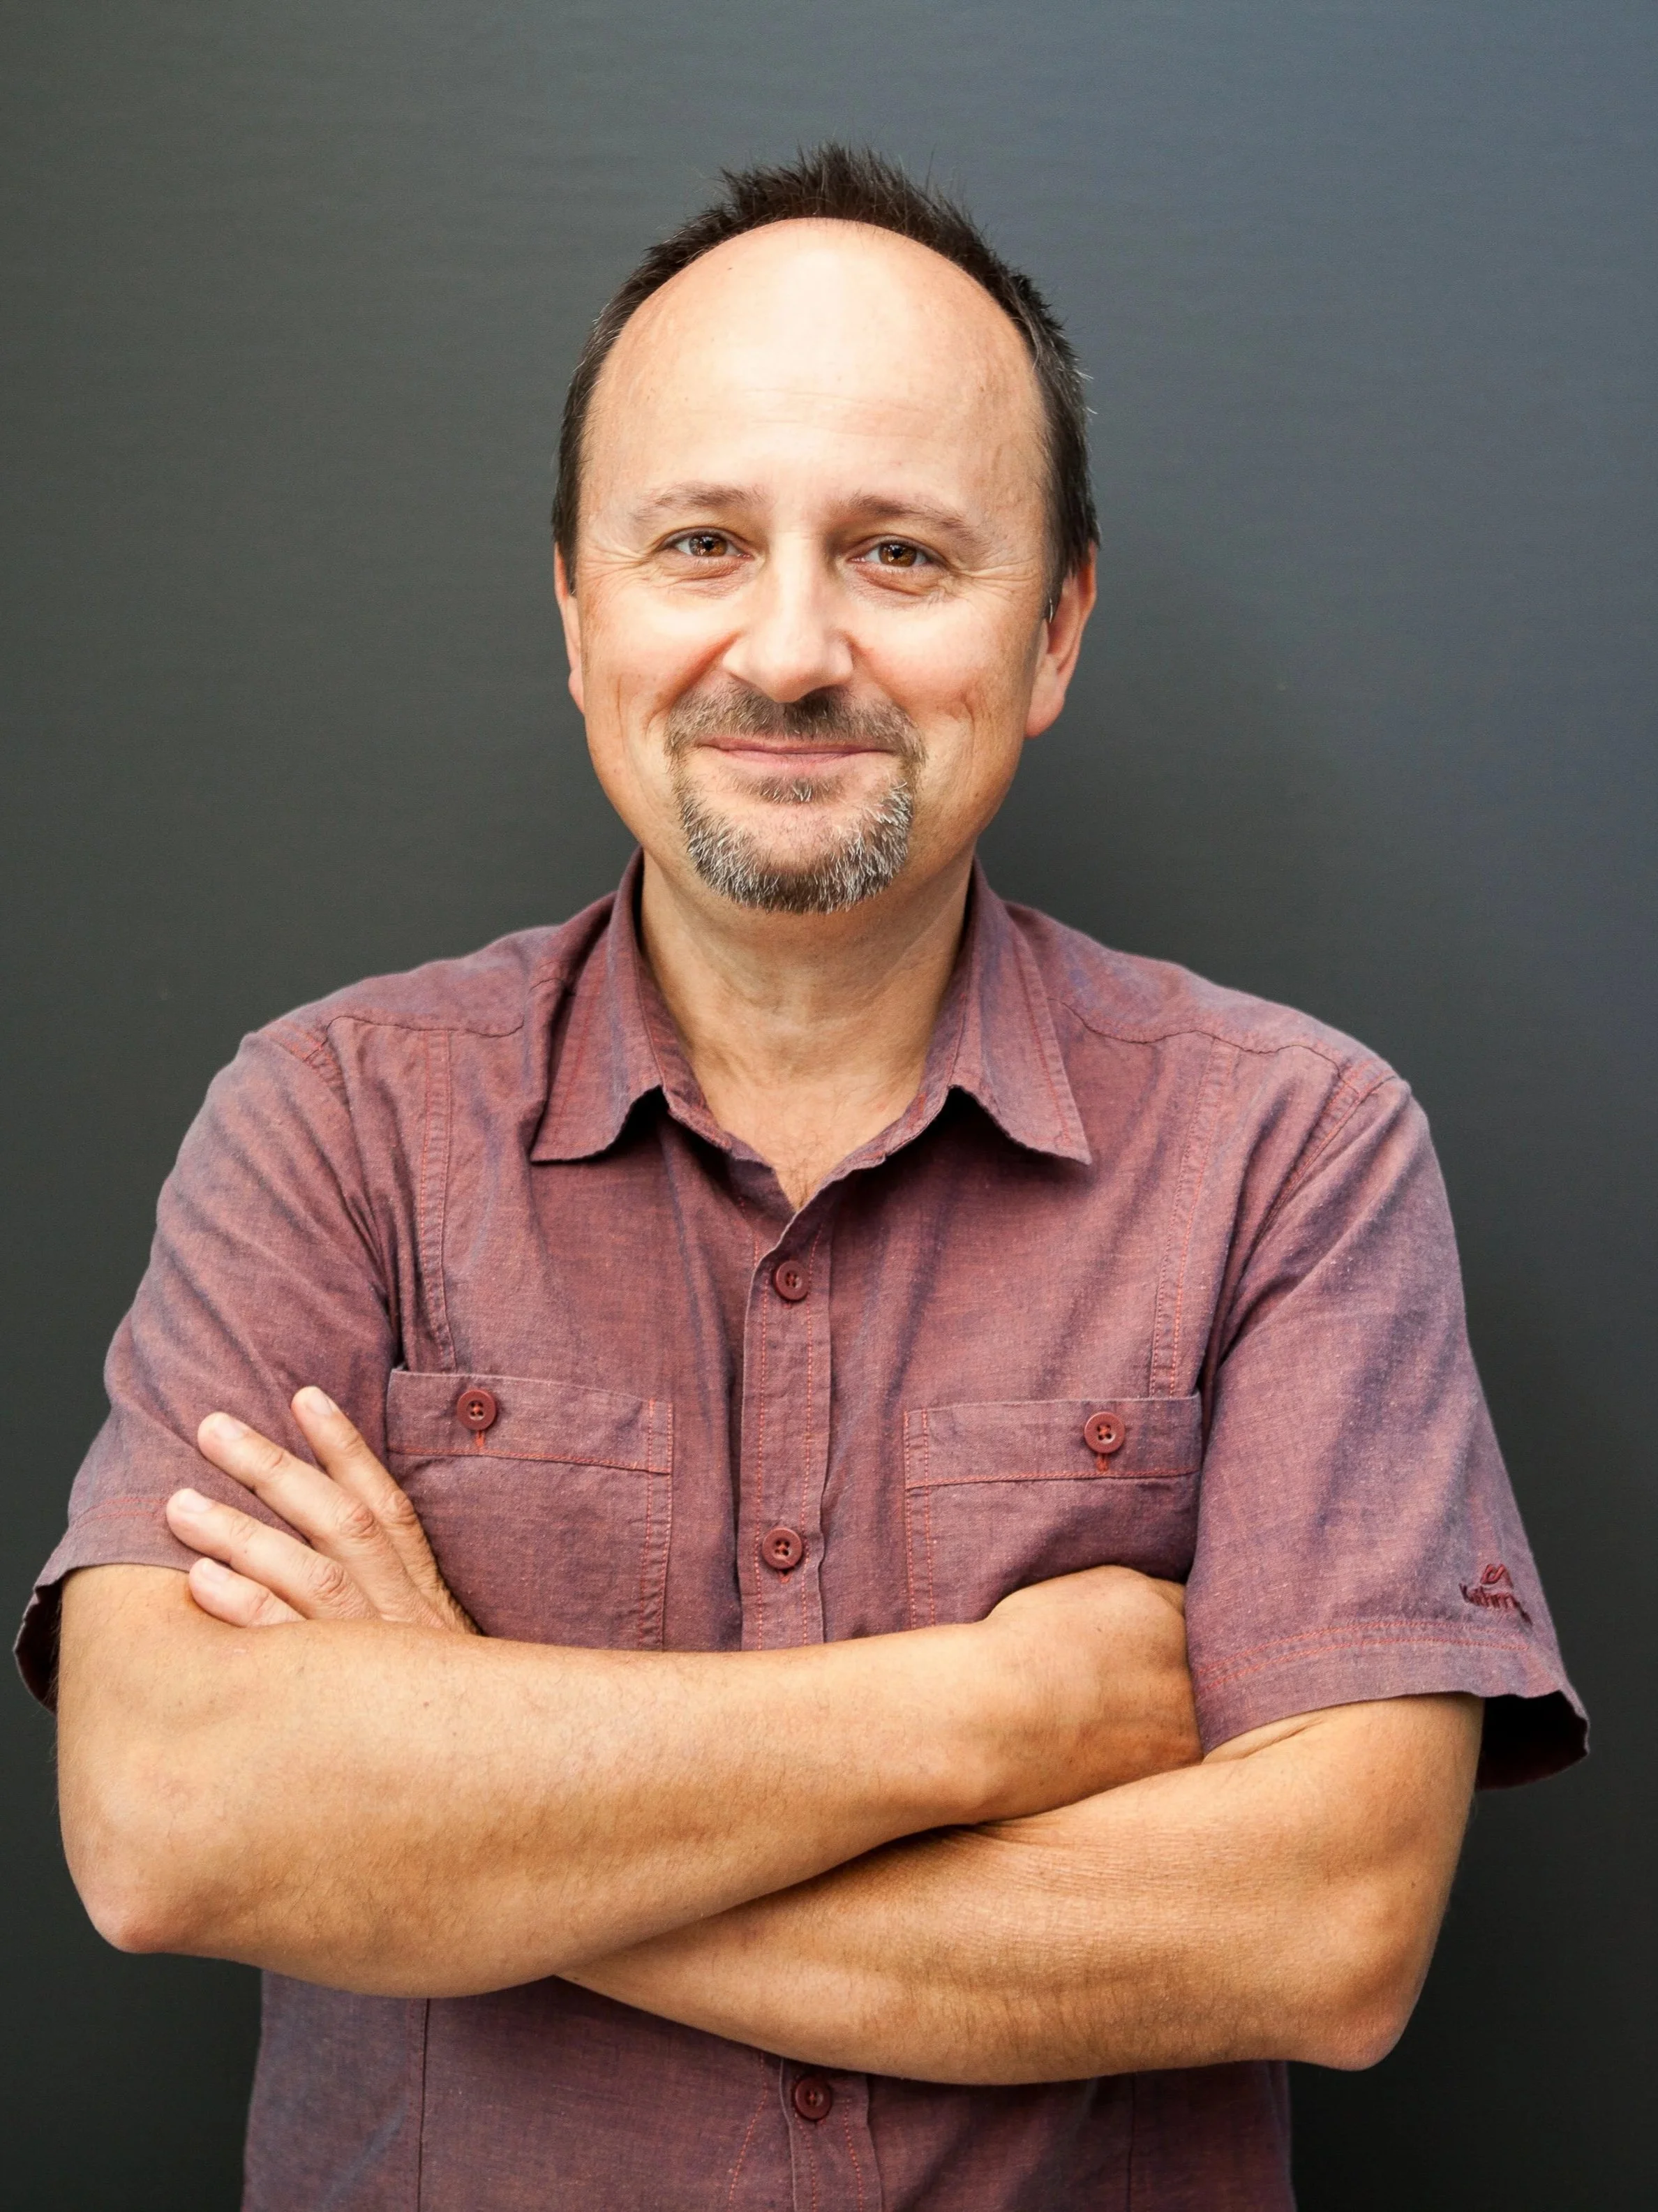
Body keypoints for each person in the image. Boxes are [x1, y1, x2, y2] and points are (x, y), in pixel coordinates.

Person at [22, 147, 1583, 2211]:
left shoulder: (1293, 1151)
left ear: (1054, 629)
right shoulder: (330, 1125)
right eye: (697, 544)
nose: (786, 649)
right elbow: (168, 1818)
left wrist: (458, 1798)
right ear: (576, 614)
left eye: (902, 556)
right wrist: (992, 1712)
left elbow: (1324, 1932)